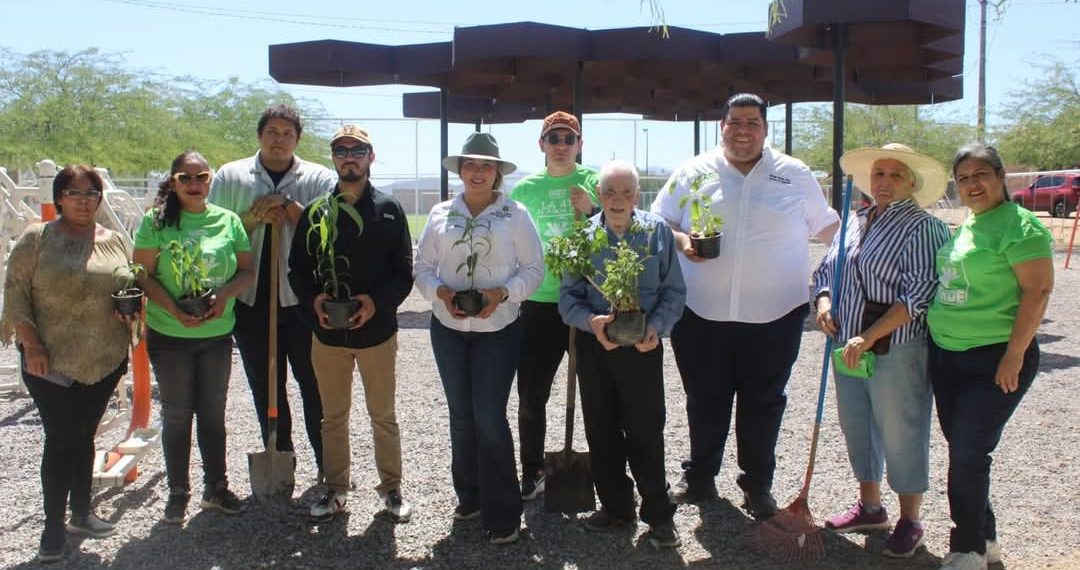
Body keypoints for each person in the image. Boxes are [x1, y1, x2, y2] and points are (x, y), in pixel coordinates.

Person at [650, 93, 839, 518]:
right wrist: (681, 241)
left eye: (752, 123)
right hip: (701, 313)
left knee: (764, 401)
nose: (743, 131)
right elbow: (660, 217)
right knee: (704, 399)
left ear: (765, 129)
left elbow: (830, 228)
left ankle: (757, 485)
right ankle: (699, 478)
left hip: (777, 316)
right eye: (735, 122)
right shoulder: (693, 172)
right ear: (723, 126)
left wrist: (850, 269)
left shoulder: (794, 174)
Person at [811, 143, 951, 557]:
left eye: (895, 175)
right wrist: (822, 304)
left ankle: (911, 519)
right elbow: (825, 271)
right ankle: (870, 506)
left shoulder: (924, 228)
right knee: (857, 423)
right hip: (849, 344)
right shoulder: (855, 222)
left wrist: (870, 336)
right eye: (879, 174)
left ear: (912, 182)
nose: (884, 182)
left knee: (901, 429)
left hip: (895, 347)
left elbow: (920, 292)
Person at [927, 143, 1054, 570]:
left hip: (994, 358)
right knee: (965, 451)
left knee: (966, 452)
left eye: (980, 174)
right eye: (963, 178)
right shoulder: (967, 226)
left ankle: (969, 548)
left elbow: (1037, 291)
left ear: (1000, 177)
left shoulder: (1021, 227)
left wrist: (1014, 355)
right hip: (947, 357)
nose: (972, 184)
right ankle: (987, 539)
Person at [413, 133, 544, 545]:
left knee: (488, 415)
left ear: (497, 173)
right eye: (470, 164)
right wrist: (443, 294)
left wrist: (501, 294)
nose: (478, 171)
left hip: (498, 329)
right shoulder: (439, 214)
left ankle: (503, 511)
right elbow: (422, 267)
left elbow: (533, 269)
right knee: (460, 414)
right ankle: (469, 496)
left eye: (486, 165)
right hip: (449, 329)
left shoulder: (515, 214)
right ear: (460, 170)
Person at [1, 165, 131, 562]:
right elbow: (16, 293)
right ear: (59, 197)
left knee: (85, 434)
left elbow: (125, 285)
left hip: (104, 358)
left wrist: (131, 305)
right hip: (49, 361)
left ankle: (81, 513)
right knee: (60, 439)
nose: (83, 200)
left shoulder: (111, 242)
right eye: (74, 193)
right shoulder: (37, 239)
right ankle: (53, 527)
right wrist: (31, 342)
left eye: (91, 193)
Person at [288, 125, 414, 523]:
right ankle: (336, 487)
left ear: (370, 157)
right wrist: (316, 302)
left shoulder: (389, 210)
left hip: (377, 335)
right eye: (341, 150)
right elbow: (298, 271)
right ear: (334, 158)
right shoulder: (316, 213)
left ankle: (391, 488)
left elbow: (403, 272)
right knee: (333, 417)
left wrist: (376, 303)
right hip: (328, 334)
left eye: (357, 150)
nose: (349, 157)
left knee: (383, 415)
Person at [558, 160, 686, 549]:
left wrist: (655, 328)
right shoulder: (582, 239)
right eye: (609, 192)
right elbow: (568, 300)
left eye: (625, 192)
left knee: (646, 431)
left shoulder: (656, 233)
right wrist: (592, 323)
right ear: (598, 196)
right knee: (601, 428)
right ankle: (616, 507)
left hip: (642, 348)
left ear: (637, 196)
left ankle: (659, 515)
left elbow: (674, 292)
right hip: (597, 348)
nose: (617, 200)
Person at [209, 104, 337, 481]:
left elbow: (330, 234)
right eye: (272, 132)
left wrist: (292, 211)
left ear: (297, 139)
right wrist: (253, 218)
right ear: (259, 135)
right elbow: (215, 235)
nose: (279, 140)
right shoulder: (231, 176)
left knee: (314, 386)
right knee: (266, 386)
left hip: (303, 303)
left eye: (287, 133)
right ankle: (280, 456)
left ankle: (327, 467)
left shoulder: (318, 179)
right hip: (252, 303)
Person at [133, 151, 254, 524]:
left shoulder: (228, 221)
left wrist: (224, 296)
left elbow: (247, 271)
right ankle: (178, 490)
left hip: (216, 334)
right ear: (173, 182)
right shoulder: (156, 222)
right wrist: (172, 307)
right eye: (186, 178)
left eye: (201, 176)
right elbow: (142, 273)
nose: (195, 184)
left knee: (213, 414)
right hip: (170, 335)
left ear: (210, 179)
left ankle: (216, 487)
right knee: (177, 412)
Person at [510, 111, 599, 500]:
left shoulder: (594, 181)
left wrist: (592, 209)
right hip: (540, 302)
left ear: (579, 145)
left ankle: (608, 468)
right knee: (532, 394)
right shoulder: (525, 190)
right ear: (542, 145)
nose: (561, 145)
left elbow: (624, 225)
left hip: (587, 299)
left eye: (569, 139)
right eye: (554, 138)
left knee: (599, 393)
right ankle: (531, 469)